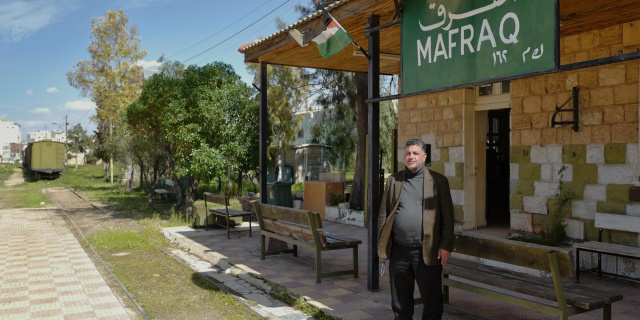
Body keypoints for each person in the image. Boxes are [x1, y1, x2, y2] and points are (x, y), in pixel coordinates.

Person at [378, 138, 454, 320]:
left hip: (426, 251)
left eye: (415, 153)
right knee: (400, 301)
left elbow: (448, 217)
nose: (411, 156)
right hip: (399, 250)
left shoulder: (438, 181)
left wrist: (446, 245)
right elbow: (383, 214)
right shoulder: (394, 181)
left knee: (432, 300)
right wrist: (382, 247)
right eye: (408, 153)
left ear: (424, 156)